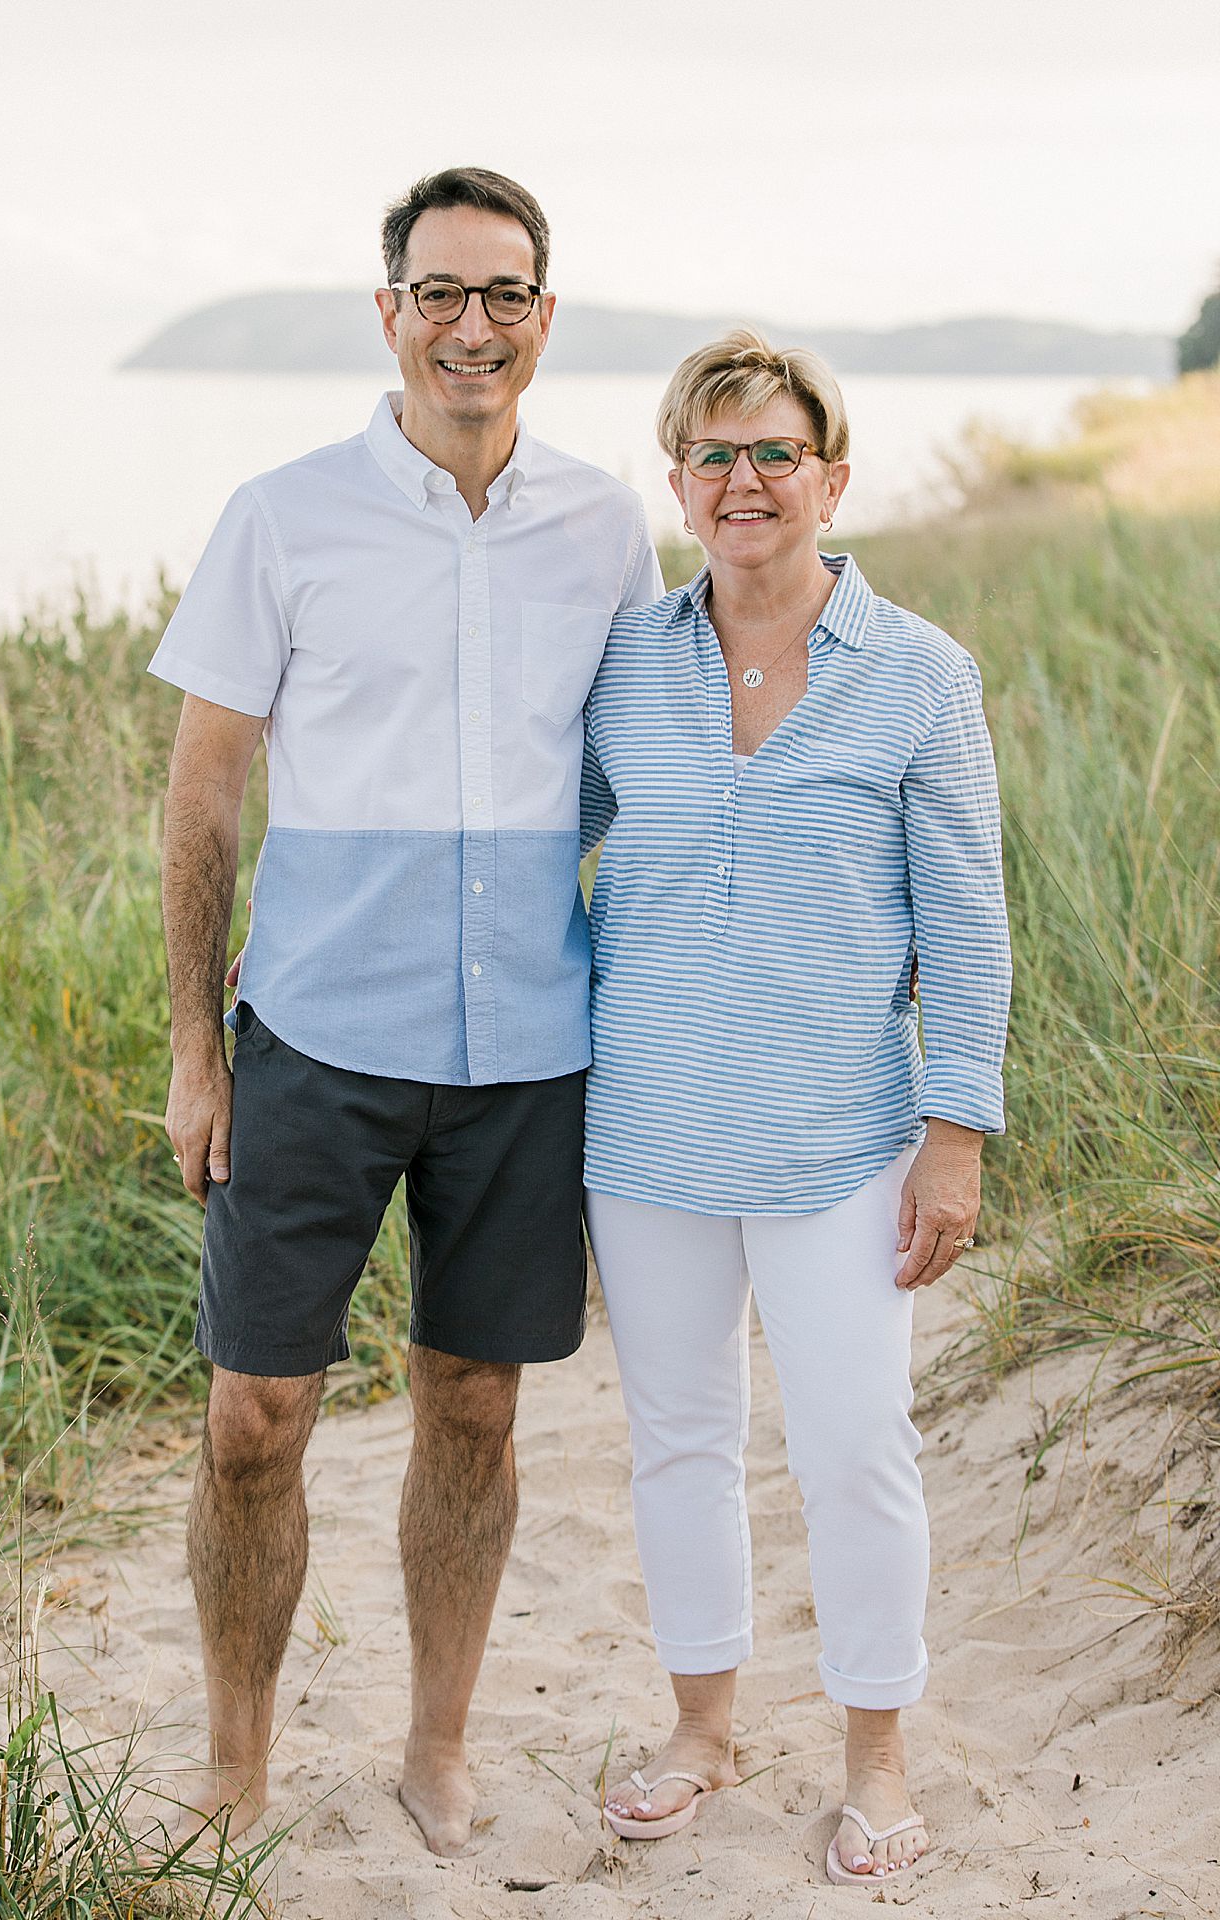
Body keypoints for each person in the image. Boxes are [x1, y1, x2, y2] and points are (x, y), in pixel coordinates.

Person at [150, 165, 661, 1857]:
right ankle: (236, 1765)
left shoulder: (604, 524)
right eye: (439, 292)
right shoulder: (284, 515)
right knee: (253, 1417)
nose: (471, 324)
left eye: (502, 293)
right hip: (312, 1036)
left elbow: (620, 773)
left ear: (543, 316)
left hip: (527, 1046)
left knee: (477, 1402)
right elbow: (206, 790)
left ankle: (439, 1743)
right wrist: (192, 1047)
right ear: (390, 313)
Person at [579, 331, 1011, 1885]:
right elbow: (536, 849)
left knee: (852, 1445)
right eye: (714, 453)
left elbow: (966, 924)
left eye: (774, 453)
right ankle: (704, 1727)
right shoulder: (626, 661)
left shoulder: (919, 675)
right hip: (645, 1134)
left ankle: (876, 1757)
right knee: (680, 1441)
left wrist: (954, 1131)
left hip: (842, 1138)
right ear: (677, 480)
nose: (744, 479)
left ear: (832, 475)